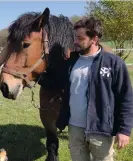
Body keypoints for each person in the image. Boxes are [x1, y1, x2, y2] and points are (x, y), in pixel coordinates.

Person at [56, 17, 133, 161]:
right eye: (75, 37)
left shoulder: (114, 63)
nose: (75, 42)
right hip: (75, 129)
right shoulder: (70, 61)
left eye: (80, 38)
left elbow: (126, 98)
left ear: (94, 39)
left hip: (101, 129)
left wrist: (124, 130)